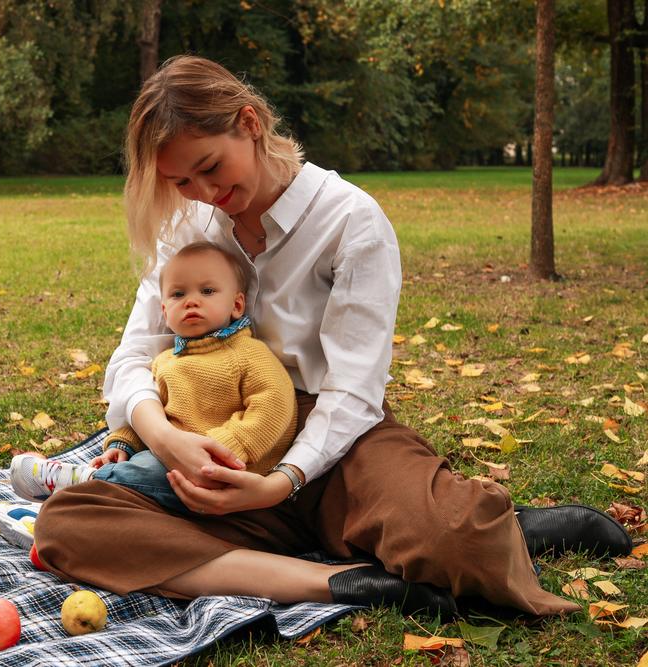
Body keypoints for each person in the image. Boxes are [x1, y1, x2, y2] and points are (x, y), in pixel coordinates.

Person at [33, 55, 631, 618]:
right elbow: (138, 353)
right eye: (181, 181)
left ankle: (463, 519)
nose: (205, 194)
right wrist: (164, 439)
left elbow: (352, 393)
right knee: (68, 525)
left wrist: (278, 483)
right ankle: (339, 581)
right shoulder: (188, 225)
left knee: (457, 544)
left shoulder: (350, 220)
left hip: (336, 447)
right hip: (213, 444)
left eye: (211, 167)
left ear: (250, 123)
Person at [10, 241, 297, 514]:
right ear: (164, 310)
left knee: (150, 471)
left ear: (236, 305)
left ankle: (83, 483)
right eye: (178, 294)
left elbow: (275, 404)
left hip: (228, 469)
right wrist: (123, 442)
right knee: (144, 474)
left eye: (207, 291)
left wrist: (223, 449)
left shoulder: (247, 353)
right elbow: (157, 416)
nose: (191, 302)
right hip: (174, 459)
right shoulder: (165, 360)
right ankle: (81, 504)